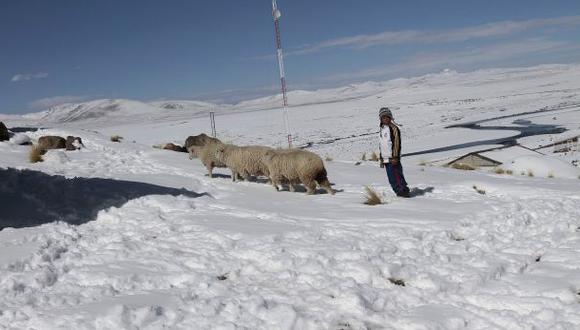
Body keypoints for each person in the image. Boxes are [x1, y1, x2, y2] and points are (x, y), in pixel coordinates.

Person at [378, 107, 410, 197]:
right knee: (391, 178)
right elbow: (382, 145)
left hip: (393, 159)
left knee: (397, 176)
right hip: (386, 159)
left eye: (387, 117)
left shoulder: (394, 128)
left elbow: (396, 143)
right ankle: (398, 192)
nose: (385, 119)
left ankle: (403, 191)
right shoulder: (382, 129)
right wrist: (381, 158)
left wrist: (395, 157)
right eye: (383, 117)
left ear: (390, 117)